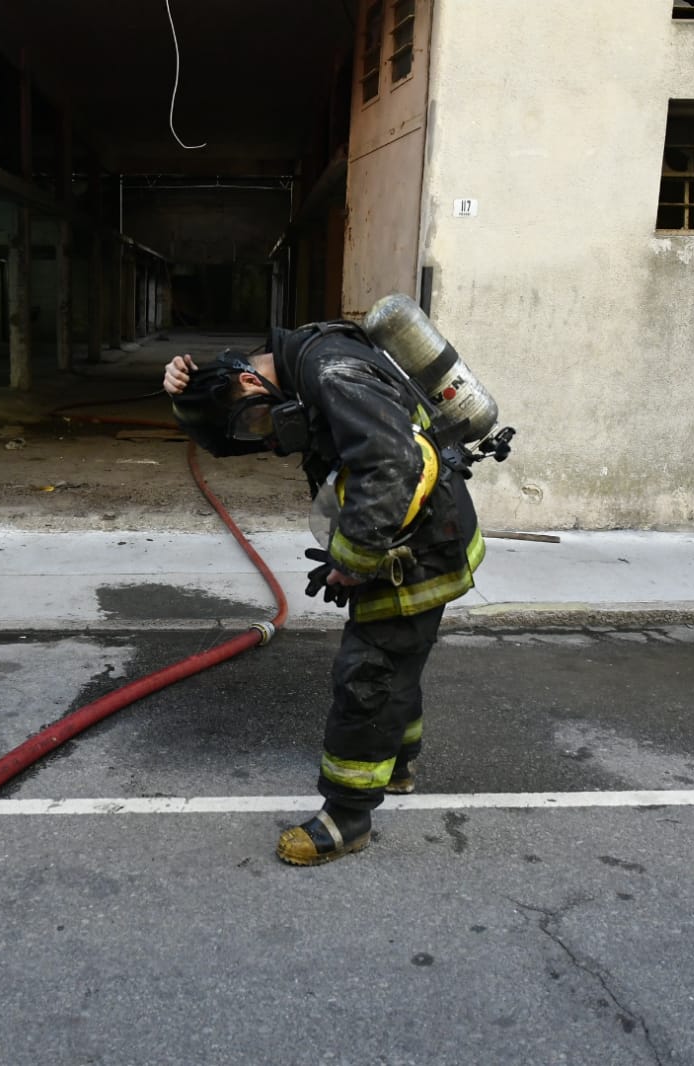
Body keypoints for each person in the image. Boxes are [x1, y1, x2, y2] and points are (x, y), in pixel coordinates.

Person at [162, 320, 486, 866]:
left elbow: (393, 465)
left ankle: (346, 817)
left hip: (412, 549)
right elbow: (232, 439)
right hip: (414, 535)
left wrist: (353, 564)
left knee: (368, 675)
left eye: (256, 421)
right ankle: (401, 764)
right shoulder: (292, 371)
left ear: (247, 382)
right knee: (399, 658)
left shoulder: (331, 371)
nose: (265, 437)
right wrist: (182, 396)